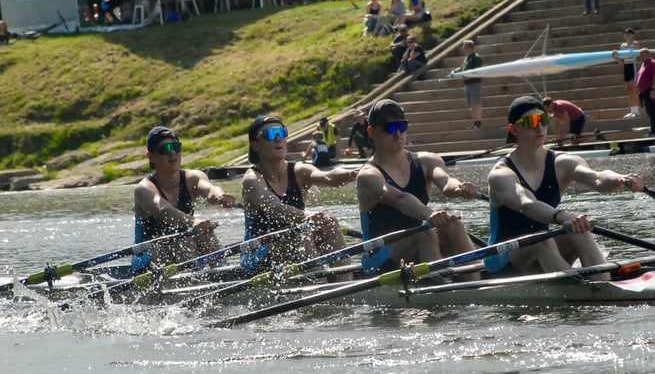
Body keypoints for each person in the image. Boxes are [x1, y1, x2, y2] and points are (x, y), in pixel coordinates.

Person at [485, 95, 645, 280]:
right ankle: (581, 294)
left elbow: (597, 178)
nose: (539, 127)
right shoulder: (501, 174)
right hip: (504, 259)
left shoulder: (563, 162)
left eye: (543, 119)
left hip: (544, 248)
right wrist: (562, 217)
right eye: (530, 121)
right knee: (544, 240)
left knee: (579, 230)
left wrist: (621, 179)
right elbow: (527, 204)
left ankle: (602, 287)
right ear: (513, 129)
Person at [356, 99, 479, 277]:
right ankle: (440, 290)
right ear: (371, 132)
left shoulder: (427, 161)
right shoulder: (368, 175)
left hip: (417, 243)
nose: (397, 134)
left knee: (454, 224)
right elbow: (400, 199)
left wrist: (459, 187)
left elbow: (446, 182)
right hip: (378, 256)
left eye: (402, 126)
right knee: (425, 234)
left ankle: (473, 283)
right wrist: (429, 214)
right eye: (389, 128)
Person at [241, 115, 357, 278]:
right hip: (258, 254)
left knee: (329, 223)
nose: (278, 139)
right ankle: (316, 287)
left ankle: (344, 281)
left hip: (296, 244)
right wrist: (306, 216)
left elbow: (328, 177)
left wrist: (352, 174)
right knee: (300, 232)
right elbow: (274, 208)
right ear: (255, 145)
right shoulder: (252, 179)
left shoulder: (299, 171)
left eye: (281, 133)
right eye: (270, 134)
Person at [132, 126, 237, 273]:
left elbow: (209, 189)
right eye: (165, 149)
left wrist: (220, 196)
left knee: (205, 233)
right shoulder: (143, 188)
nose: (173, 152)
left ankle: (223, 272)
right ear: (151, 157)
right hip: (148, 258)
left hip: (183, 251)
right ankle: (193, 281)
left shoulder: (193, 177)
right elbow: (162, 209)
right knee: (185, 240)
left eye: (176, 147)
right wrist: (193, 222)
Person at [450, 39, 483, 130]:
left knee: (476, 103)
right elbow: (462, 67)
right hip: (467, 83)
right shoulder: (467, 58)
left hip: (475, 83)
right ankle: (475, 121)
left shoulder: (476, 58)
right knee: (471, 103)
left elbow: (477, 71)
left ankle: (478, 121)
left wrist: (467, 77)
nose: (464, 50)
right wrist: (455, 71)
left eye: (465, 48)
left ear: (470, 48)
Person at [612, 27, 641, 119]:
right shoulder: (622, 46)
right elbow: (623, 61)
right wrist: (616, 57)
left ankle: (636, 111)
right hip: (626, 67)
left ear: (632, 35)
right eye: (625, 34)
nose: (626, 36)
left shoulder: (635, 44)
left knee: (633, 88)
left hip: (632, 65)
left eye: (628, 34)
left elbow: (637, 54)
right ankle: (632, 110)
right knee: (629, 89)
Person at [636, 48, 655, 137]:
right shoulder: (644, 64)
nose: (640, 57)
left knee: (652, 111)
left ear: (647, 54)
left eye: (642, 55)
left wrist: (653, 90)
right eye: (640, 55)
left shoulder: (652, 63)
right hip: (644, 92)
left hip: (650, 90)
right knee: (649, 111)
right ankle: (652, 129)